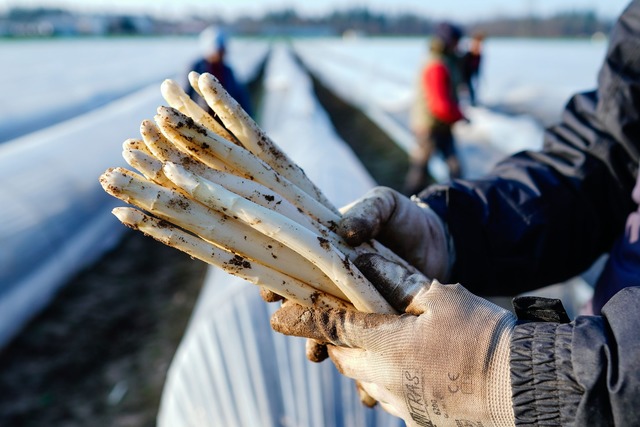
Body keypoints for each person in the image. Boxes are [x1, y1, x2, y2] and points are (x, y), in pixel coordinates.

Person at [270, 1, 640, 426]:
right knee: (428, 163)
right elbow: (602, 159)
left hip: (601, 383)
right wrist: (451, 231)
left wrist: (554, 380)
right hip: (598, 338)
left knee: (431, 161)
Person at [405, 22, 466, 195]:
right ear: (448, 41)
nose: (459, 45)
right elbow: (440, 105)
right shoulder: (437, 65)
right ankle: (405, 209)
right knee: (420, 171)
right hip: (429, 127)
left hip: (440, 125)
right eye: (456, 41)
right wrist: (460, 115)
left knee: (455, 168)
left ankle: (459, 203)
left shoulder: (444, 61)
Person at [185, 26, 253, 117]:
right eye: (219, 51)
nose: (221, 55)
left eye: (222, 51)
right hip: (202, 118)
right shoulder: (196, 67)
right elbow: (185, 94)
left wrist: (249, 116)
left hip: (224, 118)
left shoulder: (228, 71)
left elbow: (240, 95)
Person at [461, 32, 484, 106]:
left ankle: (473, 102)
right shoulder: (467, 55)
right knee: (468, 89)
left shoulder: (479, 55)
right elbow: (463, 67)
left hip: (473, 73)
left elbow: (478, 66)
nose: (478, 47)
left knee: (473, 88)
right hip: (466, 74)